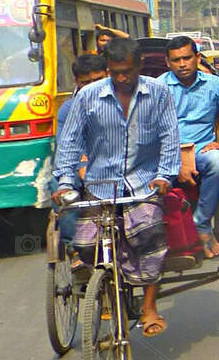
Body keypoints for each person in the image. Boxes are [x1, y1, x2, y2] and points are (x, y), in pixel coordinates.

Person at [52, 38, 180, 335]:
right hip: (100, 183)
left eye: (128, 72)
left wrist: (164, 176)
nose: (122, 78)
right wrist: (67, 182)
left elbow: (170, 137)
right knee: (84, 246)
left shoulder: (158, 93)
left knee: (149, 234)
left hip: (143, 181)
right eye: (116, 72)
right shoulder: (88, 97)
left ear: (139, 67)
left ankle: (149, 307)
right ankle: (109, 289)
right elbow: (69, 142)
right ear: (108, 68)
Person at [158, 36, 219, 260]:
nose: (182, 64)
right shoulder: (157, 87)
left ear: (197, 58)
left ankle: (202, 222)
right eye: (176, 60)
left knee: (218, 161)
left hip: (201, 152)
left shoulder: (214, 85)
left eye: (187, 58)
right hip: (166, 154)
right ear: (168, 62)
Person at [54, 52, 106, 249]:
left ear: (107, 75)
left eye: (98, 80)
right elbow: (66, 147)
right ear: (77, 82)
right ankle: (73, 248)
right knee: (65, 193)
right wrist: (82, 166)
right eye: (86, 82)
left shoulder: (123, 100)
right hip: (81, 165)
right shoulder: (68, 110)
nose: (93, 87)